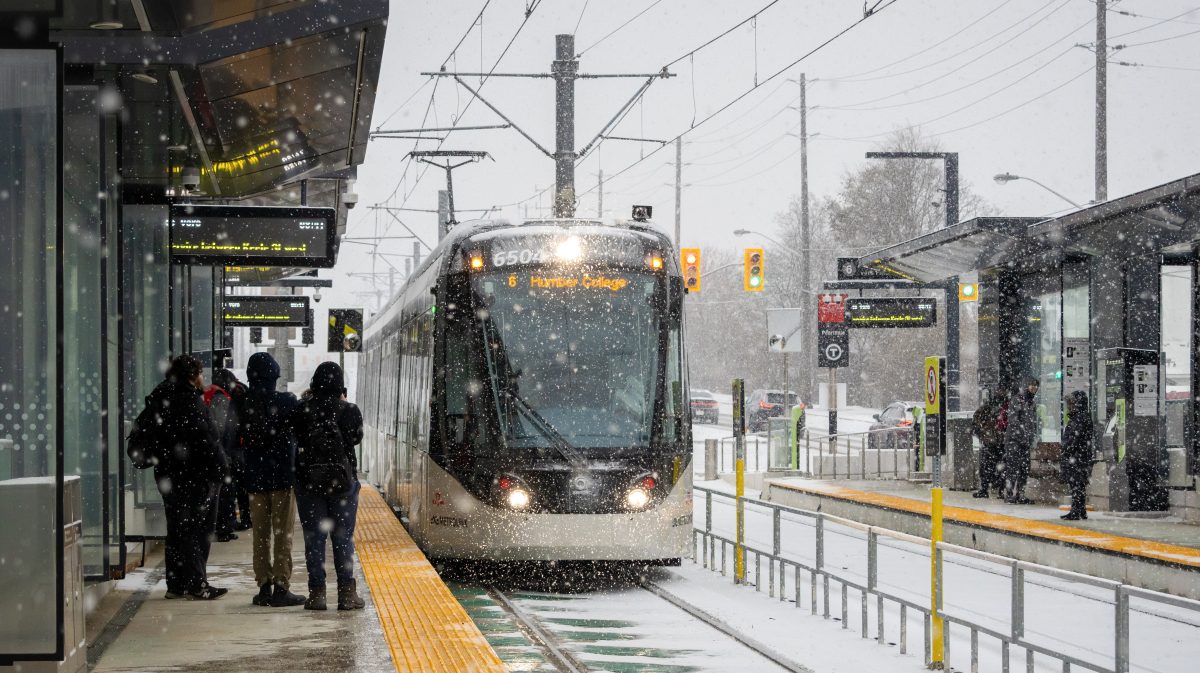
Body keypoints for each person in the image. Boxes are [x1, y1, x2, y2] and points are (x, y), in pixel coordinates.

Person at [144, 355, 228, 600]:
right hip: (193, 476)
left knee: (177, 528)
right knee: (196, 530)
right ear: (192, 376)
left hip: (168, 475)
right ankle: (197, 584)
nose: (203, 378)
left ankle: (176, 584)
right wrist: (221, 470)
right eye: (200, 373)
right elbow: (206, 442)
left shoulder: (162, 397)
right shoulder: (190, 403)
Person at [292, 363, 366, 611]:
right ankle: (346, 595)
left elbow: (297, 437)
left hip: (309, 483)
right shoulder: (349, 410)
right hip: (343, 483)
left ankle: (317, 595)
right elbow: (355, 439)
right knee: (343, 538)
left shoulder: (302, 410)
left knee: (314, 539)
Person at [237, 352, 306, 608]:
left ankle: (263, 586)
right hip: (282, 479)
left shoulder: (243, 404)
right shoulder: (287, 401)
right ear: (274, 377)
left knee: (260, 535)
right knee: (283, 534)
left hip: (255, 479)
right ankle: (281, 587)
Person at [205, 368, 245, 541]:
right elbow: (221, 428)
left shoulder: (209, 394)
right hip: (221, 452)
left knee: (220, 491)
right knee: (225, 491)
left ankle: (222, 525)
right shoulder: (220, 398)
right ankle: (223, 528)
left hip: (214, 451)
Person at [1002, 377, 1041, 504]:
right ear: (1026, 386)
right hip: (1014, 440)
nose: (1034, 387)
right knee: (1012, 467)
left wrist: (1032, 437)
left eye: (1036, 386)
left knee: (1024, 468)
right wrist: (1023, 435)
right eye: (1031, 384)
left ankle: (1020, 494)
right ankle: (1008, 494)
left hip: (1025, 441)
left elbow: (1033, 422)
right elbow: (1014, 420)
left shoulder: (1032, 403)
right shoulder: (1017, 399)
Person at [1059, 390, 1094, 520]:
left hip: (1078, 456)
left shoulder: (1080, 417)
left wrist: (1066, 448)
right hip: (1079, 456)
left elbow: (1075, 439)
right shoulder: (1081, 416)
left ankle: (1076, 510)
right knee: (1078, 484)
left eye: (1072, 402)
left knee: (1076, 484)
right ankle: (1080, 510)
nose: (1069, 405)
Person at [971, 386, 1006, 498]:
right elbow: (975, 422)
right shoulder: (988, 407)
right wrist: (982, 433)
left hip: (999, 442)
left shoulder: (1005, 406)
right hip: (991, 442)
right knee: (987, 467)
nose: (1000, 391)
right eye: (999, 389)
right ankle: (987, 489)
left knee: (997, 467)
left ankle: (998, 490)